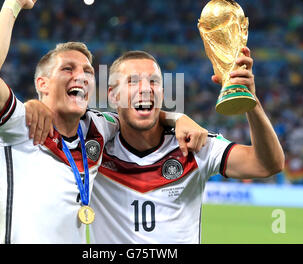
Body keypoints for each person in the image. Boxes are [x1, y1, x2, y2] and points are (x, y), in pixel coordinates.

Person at [0, 0, 206, 244]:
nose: (82, 76)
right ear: (42, 84)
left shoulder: (99, 127)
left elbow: (137, 115)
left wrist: (178, 118)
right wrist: (13, 5)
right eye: (68, 69)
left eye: (87, 71)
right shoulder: (19, 124)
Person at [25, 49, 285, 243]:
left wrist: (250, 101)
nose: (145, 89)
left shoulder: (194, 144)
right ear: (113, 96)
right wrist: (33, 108)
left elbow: (268, 164)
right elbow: (24, 135)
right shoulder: (96, 144)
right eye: (133, 82)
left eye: (153, 81)